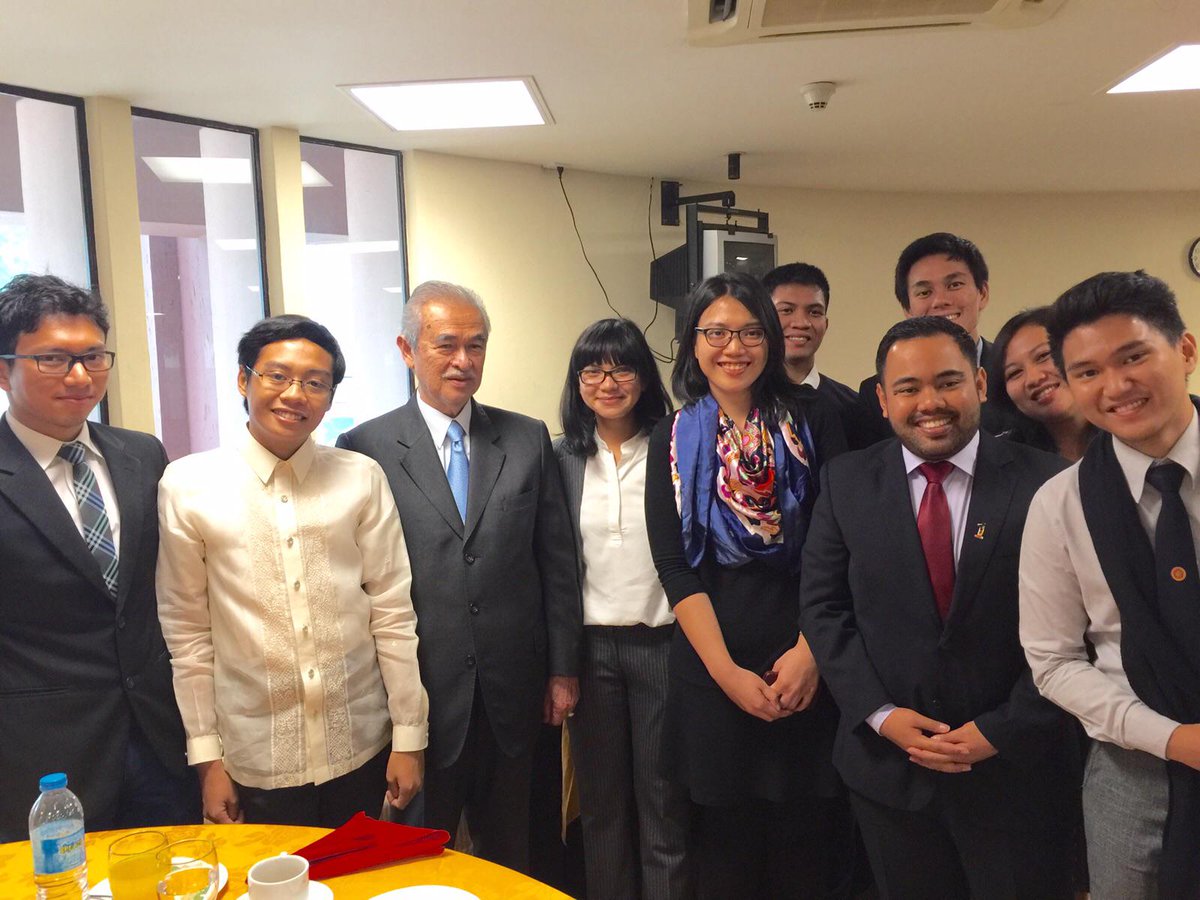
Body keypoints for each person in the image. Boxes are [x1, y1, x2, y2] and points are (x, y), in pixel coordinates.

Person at [802, 315, 1080, 899]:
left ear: (980, 384)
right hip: (889, 774)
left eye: (948, 382)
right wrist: (879, 714)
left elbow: (1080, 628)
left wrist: (1002, 728)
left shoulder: (1049, 483)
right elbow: (825, 611)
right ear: (882, 399)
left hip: (1018, 770)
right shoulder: (847, 481)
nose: (931, 402)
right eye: (907, 388)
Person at [337, 280, 582, 873]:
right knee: (420, 858)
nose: (463, 361)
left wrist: (563, 668)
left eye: (477, 346)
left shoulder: (525, 439)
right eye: (446, 344)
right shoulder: (364, 447)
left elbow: (556, 562)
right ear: (406, 348)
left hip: (517, 692)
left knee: (517, 853)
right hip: (419, 697)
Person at [156, 314, 427, 827]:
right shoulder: (188, 485)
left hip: (362, 747)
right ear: (244, 380)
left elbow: (392, 610)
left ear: (329, 396)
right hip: (253, 760)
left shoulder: (360, 477)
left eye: (315, 383)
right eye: (276, 376)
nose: (294, 394)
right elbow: (188, 635)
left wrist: (409, 736)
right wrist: (207, 760)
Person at [645, 272, 850, 898]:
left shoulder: (818, 421)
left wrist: (811, 654)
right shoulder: (672, 437)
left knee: (805, 846)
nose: (733, 347)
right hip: (713, 669)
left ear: (768, 338)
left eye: (749, 331)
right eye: (715, 332)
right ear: (693, 342)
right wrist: (727, 673)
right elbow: (676, 566)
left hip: (806, 657)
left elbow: (840, 547)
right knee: (724, 853)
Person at [1020, 270, 1200, 899]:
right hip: (1134, 761)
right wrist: (1175, 739)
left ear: (1185, 350)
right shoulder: (1058, 504)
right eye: (1088, 372)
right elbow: (1053, 660)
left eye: (1134, 357)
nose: (1116, 387)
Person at [0, 273, 197, 841]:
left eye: (93, 356)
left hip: (161, 740)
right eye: (54, 360)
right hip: (40, 760)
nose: (81, 376)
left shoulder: (142, 454)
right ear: (4, 369)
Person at [555, 318, 688, 899]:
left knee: (664, 802)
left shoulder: (675, 446)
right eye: (592, 369)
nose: (607, 382)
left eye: (622, 367)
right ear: (577, 381)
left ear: (643, 376)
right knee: (603, 807)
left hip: (662, 643)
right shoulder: (561, 458)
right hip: (591, 651)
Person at [858, 232, 1018, 439]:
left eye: (954, 285)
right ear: (907, 308)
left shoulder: (1015, 372)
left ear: (983, 293)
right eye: (924, 292)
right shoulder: (874, 393)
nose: (940, 301)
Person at [764, 261, 887, 448]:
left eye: (814, 312)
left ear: (826, 324)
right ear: (764, 319)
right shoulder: (744, 402)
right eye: (787, 310)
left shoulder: (852, 406)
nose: (801, 322)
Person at [990, 307, 1096, 461]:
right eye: (1014, 373)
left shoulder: (1130, 431)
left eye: (1043, 356)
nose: (1033, 378)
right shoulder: (1001, 459)